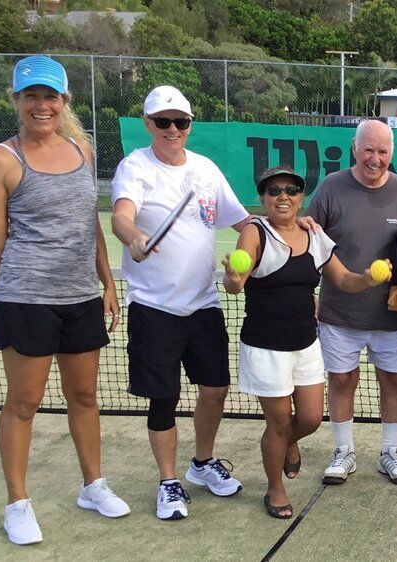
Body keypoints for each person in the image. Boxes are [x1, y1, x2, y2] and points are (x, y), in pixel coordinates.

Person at [0, 55, 129, 546]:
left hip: (80, 299)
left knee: (84, 397)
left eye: (50, 96)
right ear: (16, 101)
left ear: (64, 102)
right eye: (31, 95)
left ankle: (92, 485)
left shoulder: (83, 149)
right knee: (24, 402)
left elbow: (89, 223)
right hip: (24, 299)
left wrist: (107, 282)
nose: (42, 105)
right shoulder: (0, 159)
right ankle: (17, 502)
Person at [111, 85, 248, 521]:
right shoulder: (136, 167)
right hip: (154, 309)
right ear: (148, 124)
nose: (173, 129)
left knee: (216, 389)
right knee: (163, 399)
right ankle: (168, 481)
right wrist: (133, 238)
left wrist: (267, 239)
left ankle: (202, 463)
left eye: (181, 122)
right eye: (163, 122)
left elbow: (243, 220)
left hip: (204, 304)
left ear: (190, 125)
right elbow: (121, 215)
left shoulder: (206, 170)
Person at [222, 166, 389, 518]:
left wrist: (370, 279)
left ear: (301, 198)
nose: (283, 196)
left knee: (311, 418)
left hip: (305, 343)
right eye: (274, 191)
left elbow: (344, 279)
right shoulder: (254, 232)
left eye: (291, 190)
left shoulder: (313, 235)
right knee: (279, 421)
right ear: (263, 198)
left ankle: (290, 442)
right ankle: (275, 489)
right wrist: (234, 277)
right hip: (265, 346)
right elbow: (236, 284)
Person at [304, 119, 397, 486]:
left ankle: (391, 453)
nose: (375, 159)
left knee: (394, 381)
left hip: (392, 313)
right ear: (354, 150)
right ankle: (343, 452)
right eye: (369, 150)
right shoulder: (331, 187)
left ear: (391, 153)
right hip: (338, 312)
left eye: (383, 151)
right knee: (342, 380)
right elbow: (311, 237)